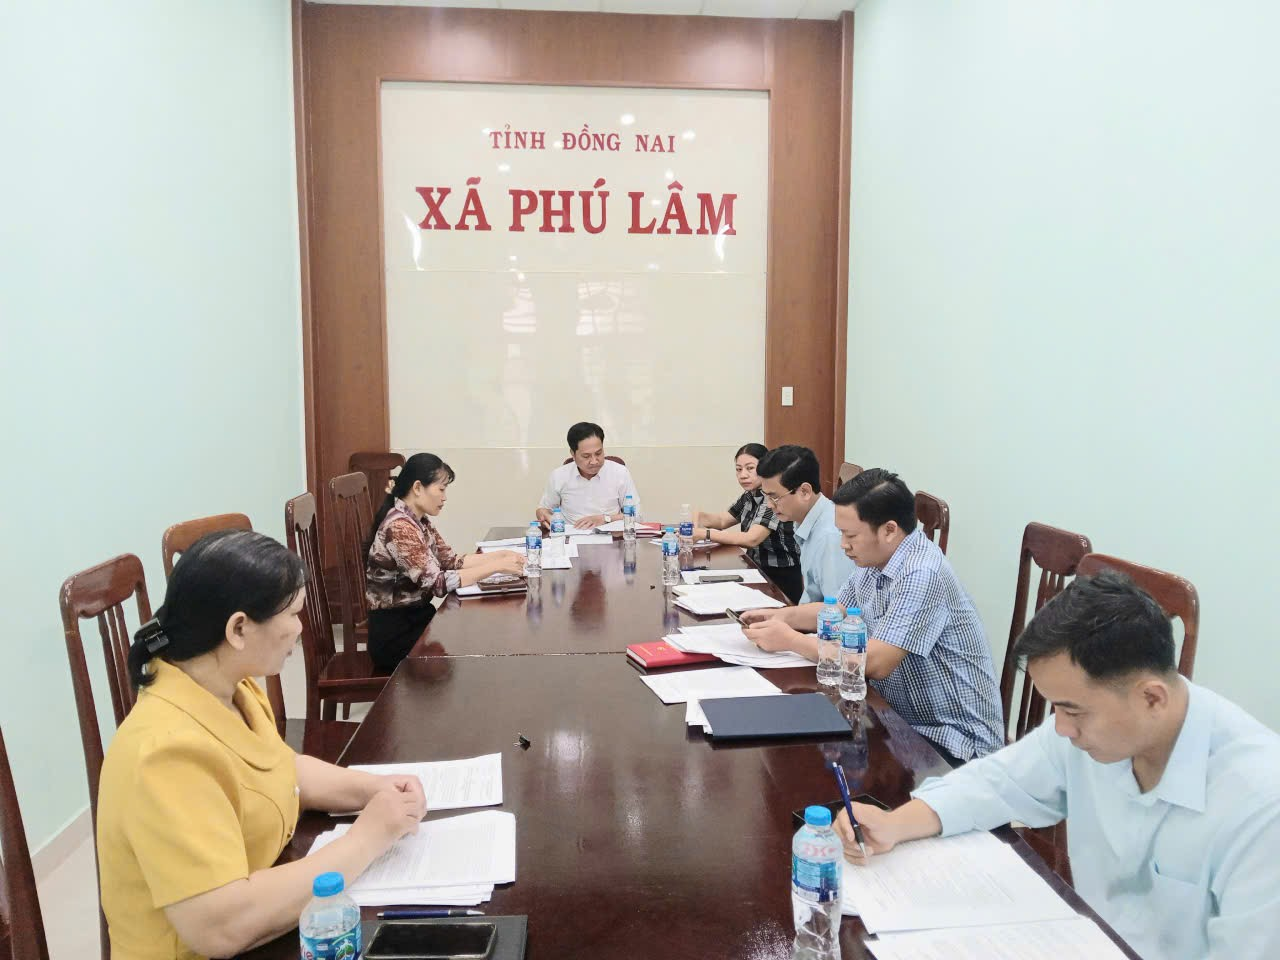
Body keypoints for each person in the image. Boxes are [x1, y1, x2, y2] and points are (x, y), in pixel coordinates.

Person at [834, 572, 1280, 960]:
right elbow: (997, 782)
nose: (1061, 728)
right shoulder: (1091, 732)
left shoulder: (1261, 805)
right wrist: (895, 824)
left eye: (1072, 710)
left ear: (1151, 698)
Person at [97, 530, 428, 960]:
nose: (300, 629)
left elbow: (283, 770)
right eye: (292, 614)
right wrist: (369, 836)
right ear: (239, 628)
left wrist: (374, 788)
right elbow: (223, 926)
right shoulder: (164, 754)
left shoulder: (228, 686)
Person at [745, 468, 1003, 761]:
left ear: (889, 530)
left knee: (812, 757)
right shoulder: (876, 558)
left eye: (851, 535)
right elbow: (835, 611)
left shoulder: (922, 572)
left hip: (952, 742)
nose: (843, 544)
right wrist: (780, 617)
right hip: (897, 719)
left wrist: (792, 641)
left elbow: (876, 662)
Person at [366, 452, 524, 670]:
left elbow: (451, 561)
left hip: (417, 619)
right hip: (397, 635)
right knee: (473, 646)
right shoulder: (400, 527)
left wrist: (502, 555)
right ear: (418, 487)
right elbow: (438, 583)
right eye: (441, 489)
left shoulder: (418, 521)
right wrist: (496, 567)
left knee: (475, 638)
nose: (445, 497)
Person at [692, 443, 803, 603]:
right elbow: (723, 520)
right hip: (756, 568)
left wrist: (705, 533)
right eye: (738, 469)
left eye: (750, 468)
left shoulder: (773, 497)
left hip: (782, 575)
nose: (743, 475)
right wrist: (699, 516)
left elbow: (752, 538)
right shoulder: (749, 495)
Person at [751, 444, 852, 603]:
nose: (769, 505)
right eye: (766, 496)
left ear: (804, 491)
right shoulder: (804, 520)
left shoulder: (830, 537)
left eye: (774, 497)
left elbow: (837, 609)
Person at [536, 421, 642, 529]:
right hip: (572, 535)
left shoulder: (620, 472)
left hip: (610, 535)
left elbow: (637, 516)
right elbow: (544, 509)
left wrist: (605, 519)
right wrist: (542, 514)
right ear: (573, 454)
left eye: (598, 453)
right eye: (586, 456)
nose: (594, 461)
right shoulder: (559, 476)